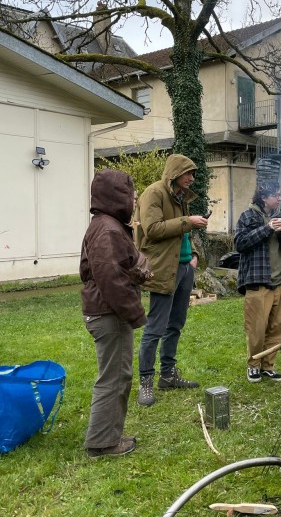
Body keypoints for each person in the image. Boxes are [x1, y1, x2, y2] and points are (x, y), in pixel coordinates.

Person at [81, 170, 149, 457]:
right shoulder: (107, 228)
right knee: (114, 378)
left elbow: (118, 267)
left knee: (115, 375)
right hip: (109, 314)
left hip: (107, 311)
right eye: (130, 194)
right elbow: (110, 278)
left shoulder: (107, 225)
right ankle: (103, 443)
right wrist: (135, 314)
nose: (134, 200)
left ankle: (106, 436)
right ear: (115, 196)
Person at [135, 154, 208, 407]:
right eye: (188, 173)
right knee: (155, 327)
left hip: (185, 268)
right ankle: (145, 382)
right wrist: (189, 221)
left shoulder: (181, 197)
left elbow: (183, 235)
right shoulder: (153, 193)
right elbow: (152, 229)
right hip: (164, 269)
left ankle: (168, 375)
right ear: (175, 172)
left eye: (193, 174)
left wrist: (194, 256)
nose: (191, 178)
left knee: (175, 324)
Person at [235, 181, 281, 383]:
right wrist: (267, 228)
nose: (280, 198)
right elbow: (240, 243)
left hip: (280, 282)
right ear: (264, 198)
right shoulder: (248, 216)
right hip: (258, 282)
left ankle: (268, 366)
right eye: (276, 195)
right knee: (256, 328)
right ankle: (254, 365)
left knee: (278, 326)